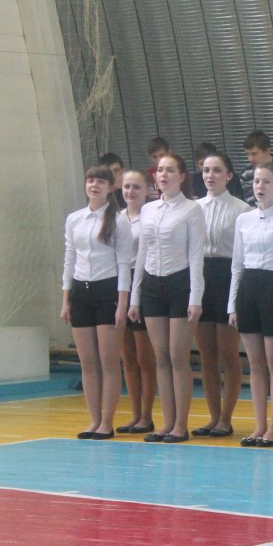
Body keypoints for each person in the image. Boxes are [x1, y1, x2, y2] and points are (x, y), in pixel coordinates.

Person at [129, 152, 206, 444]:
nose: (163, 175)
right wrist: (135, 297)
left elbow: (196, 255)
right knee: (160, 356)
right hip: (152, 283)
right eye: (160, 170)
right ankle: (166, 421)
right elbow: (142, 253)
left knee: (177, 356)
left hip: (180, 283)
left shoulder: (192, 209)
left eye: (170, 170)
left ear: (182, 176)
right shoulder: (148, 210)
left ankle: (180, 425)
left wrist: (195, 297)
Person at [229, 162, 273, 447]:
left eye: (267, 181)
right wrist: (232, 304)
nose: (260, 186)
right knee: (255, 365)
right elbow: (237, 265)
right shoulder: (243, 220)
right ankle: (259, 425)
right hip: (249, 287)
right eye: (257, 181)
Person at [62, 165, 132, 439]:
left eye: (101, 181)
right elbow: (70, 258)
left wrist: (122, 304)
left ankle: (107, 422)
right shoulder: (74, 219)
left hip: (107, 290)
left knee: (108, 361)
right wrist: (66, 299)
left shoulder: (119, 220)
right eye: (90, 180)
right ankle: (93, 419)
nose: (94, 185)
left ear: (110, 187)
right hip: (81, 290)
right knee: (88, 362)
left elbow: (124, 264)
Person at [192, 153, 249, 438]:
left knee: (228, 354)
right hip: (202, 277)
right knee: (207, 355)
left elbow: (243, 255)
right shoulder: (194, 208)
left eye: (217, 170)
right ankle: (213, 417)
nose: (210, 175)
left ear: (228, 176)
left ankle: (226, 418)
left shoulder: (242, 210)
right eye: (206, 170)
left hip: (228, 276)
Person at [115, 170, 157, 434]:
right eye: (126, 186)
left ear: (147, 189)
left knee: (145, 357)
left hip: (142, 280)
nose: (130, 191)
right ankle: (135, 413)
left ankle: (147, 415)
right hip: (120, 282)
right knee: (128, 357)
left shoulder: (151, 217)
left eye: (136, 187)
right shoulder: (117, 218)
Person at [240, 130, 273, 207]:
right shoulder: (246, 173)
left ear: (267, 151)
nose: (250, 158)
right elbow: (246, 199)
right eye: (247, 154)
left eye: (254, 154)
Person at [145, 136, 171, 202]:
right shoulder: (147, 176)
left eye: (161, 155)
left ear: (169, 153)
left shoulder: (177, 173)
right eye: (154, 157)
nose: (158, 159)